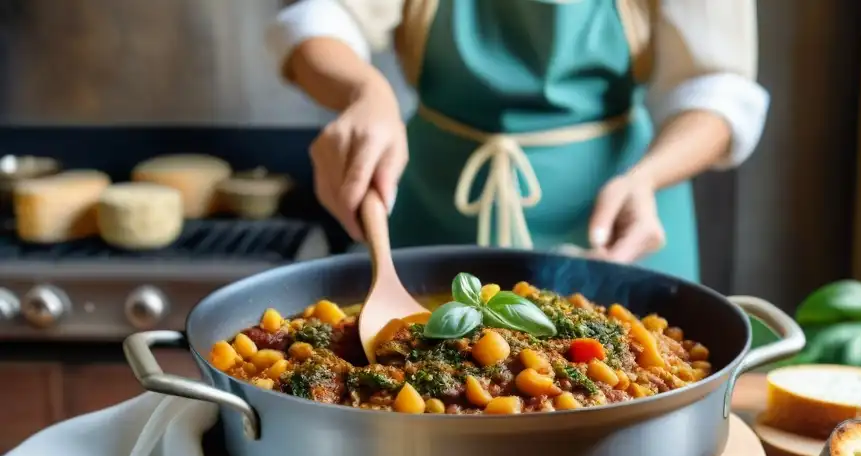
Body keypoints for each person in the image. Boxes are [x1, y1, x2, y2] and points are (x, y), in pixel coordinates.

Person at [266, 0, 768, 284]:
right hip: (431, 214)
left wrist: (648, 177)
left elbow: (716, 87)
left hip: (620, 224)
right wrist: (365, 91)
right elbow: (321, 18)